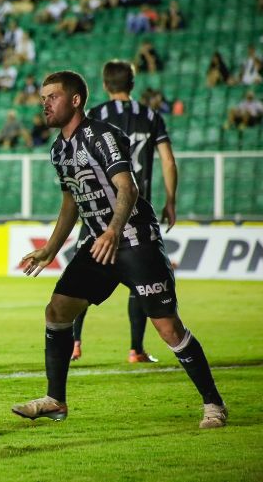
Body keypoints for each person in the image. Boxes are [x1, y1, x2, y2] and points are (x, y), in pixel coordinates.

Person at [13, 70, 227, 429]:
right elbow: (71, 201)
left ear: (76, 99)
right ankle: (56, 400)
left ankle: (214, 404)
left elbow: (128, 189)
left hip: (134, 241)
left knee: (168, 328)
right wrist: (51, 247)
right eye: (43, 97)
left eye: (52, 96)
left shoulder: (102, 135)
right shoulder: (59, 149)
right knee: (58, 309)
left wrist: (113, 231)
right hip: (99, 243)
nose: (44, 103)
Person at [70, 60, 179, 363]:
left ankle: (74, 343)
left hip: (98, 211)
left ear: (105, 85)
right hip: (137, 212)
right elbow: (168, 161)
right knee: (141, 280)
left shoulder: (95, 115)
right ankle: (136, 349)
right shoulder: (150, 116)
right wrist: (170, 200)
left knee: (81, 278)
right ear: (132, 84)